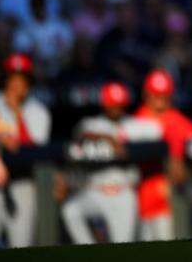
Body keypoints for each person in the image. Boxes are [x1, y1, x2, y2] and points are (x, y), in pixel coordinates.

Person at [59, 82, 161, 244]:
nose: (116, 108)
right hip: (95, 191)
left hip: (123, 192)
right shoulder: (91, 123)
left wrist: (126, 144)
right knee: (71, 211)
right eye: (112, 104)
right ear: (104, 104)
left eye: (119, 104)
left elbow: (157, 134)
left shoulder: (136, 125)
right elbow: (82, 134)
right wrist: (107, 138)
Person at [0, 54, 51, 246]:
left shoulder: (38, 111)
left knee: (21, 244)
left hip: (22, 182)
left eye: (23, 79)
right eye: (13, 78)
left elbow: (31, 150)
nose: (17, 84)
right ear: (5, 79)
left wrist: (16, 114)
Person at [133, 69, 192, 241]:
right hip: (141, 195)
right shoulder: (136, 121)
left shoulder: (179, 121)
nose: (159, 99)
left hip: (171, 198)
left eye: (163, 95)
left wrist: (180, 164)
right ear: (146, 94)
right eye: (155, 95)